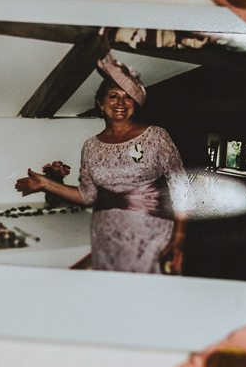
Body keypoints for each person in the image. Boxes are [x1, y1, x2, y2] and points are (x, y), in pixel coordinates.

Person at [16, 54, 186, 274]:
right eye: (113, 96)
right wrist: (46, 184)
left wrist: (179, 238)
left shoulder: (156, 136)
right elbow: (88, 196)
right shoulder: (91, 146)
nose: (120, 103)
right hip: (105, 232)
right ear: (101, 103)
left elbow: (182, 188)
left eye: (128, 97)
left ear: (135, 104)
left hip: (152, 232)